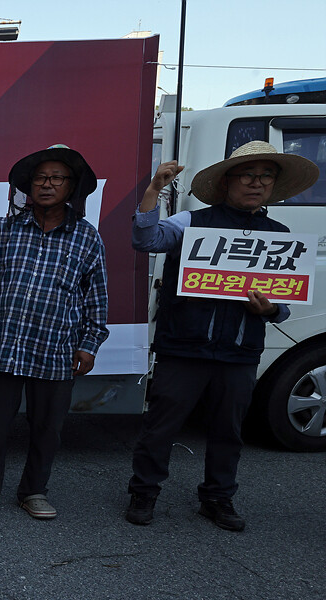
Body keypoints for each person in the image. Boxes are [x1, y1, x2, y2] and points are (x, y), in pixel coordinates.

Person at [125, 141, 319, 531]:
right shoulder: (190, 223)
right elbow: (145, 241)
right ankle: (143, 492)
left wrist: (270, 310)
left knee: (229, 432)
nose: (256, 182)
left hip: (241, 351)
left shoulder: (279, 236)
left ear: (273, 186)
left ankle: (218, 498)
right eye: (247, 174)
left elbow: (282, 304)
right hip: (182, 347)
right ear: (227, 181)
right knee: (161, 426)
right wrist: (152, 191)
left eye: (265, 176)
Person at [0, 145, 109, 520]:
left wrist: (90, 345)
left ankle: (34, 491)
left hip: (56, 352)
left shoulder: (86, 237)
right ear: (28, 186)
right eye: (39, 178)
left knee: (47, 430)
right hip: (3, 349)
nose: (46, 184)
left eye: (56, 178)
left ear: (72, 187)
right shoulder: (5, 228)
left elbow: (96, 298)